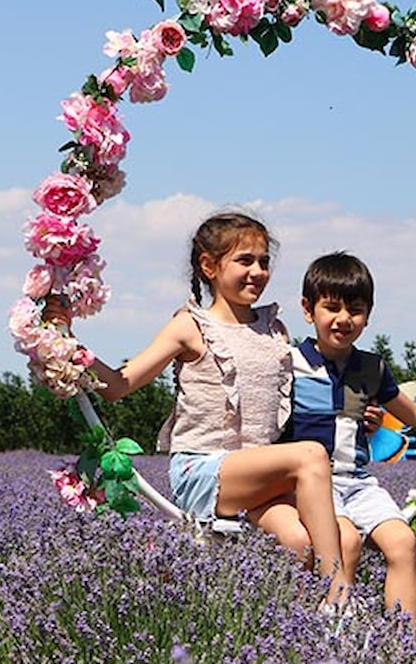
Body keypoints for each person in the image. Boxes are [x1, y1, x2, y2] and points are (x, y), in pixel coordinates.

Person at [46, 208, 346, 600]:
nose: (257, 271)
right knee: (310, 456)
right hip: (204, 469)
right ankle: (339, 598)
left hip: (261, 474)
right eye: (245, 261)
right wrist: (68, 342)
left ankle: (282, 630)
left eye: (264, 262)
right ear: (209, 266)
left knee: (297, 541)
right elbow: (119, 385)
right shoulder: (190, 325)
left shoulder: (274, 327)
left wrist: (359, 416)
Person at [279, 251, 416, 621]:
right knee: (344, 541)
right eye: (331, 308)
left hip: (359, 482)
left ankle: (402, 645)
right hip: (315, 487)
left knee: (403, 542)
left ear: (368, 315)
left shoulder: (371, 368)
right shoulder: (289, 364)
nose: (343, 319)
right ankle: (334, 641)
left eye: (355, 309)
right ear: (308, 309)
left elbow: (413, 413)